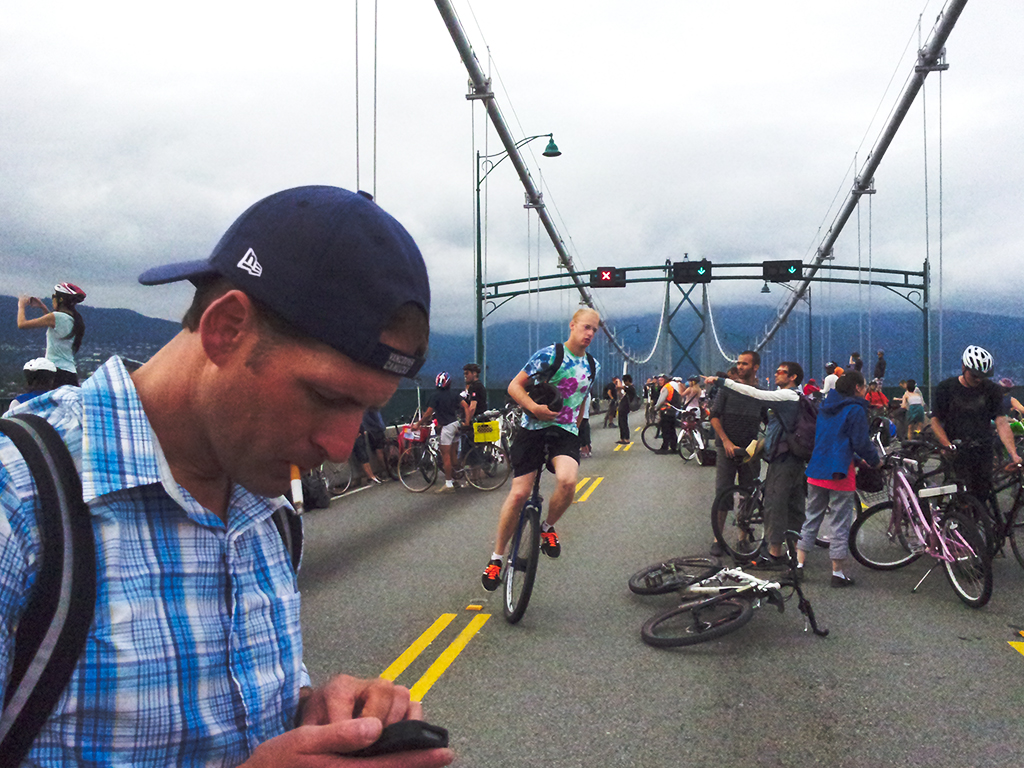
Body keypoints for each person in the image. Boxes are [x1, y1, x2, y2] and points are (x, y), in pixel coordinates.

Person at [0, 186, 453, 767]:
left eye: (365, 411)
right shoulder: (21, 501)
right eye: (324, 395)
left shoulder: (267, 512)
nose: (341, 445)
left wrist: (312, 716)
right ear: (227, 329)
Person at [481, 308, 600, 591]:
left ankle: (547, 527)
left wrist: (582, 429)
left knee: (568, 481)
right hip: (532, 428)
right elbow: (514, 386)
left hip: (566, 432)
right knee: (520, 493)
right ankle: (496, 559)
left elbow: (582, 400)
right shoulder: (550, 355)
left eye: (594, 330)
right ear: (572, 326)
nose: (590, 334)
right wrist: (533, 407)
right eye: (585, 327)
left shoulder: (592, 365)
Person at [704, 361, 807, 565]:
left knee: (774, 505)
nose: (776, 373)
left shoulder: (787, 395)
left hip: (783, 460)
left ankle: (774, 555)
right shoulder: (797, 396)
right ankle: (795, 554)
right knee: (794, 505)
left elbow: (756, 395)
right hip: (793, 459)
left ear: (793, 377)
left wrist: (722, 381)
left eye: (781, 372)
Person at [797, 370, 882, 587]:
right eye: (864, 386)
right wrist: (874, 461)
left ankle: (798, 564)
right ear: (857, 388)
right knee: (839, 523)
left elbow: (831, 440)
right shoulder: (855, 410)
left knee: (812, 517)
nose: (865, 390)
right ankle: (837, 573)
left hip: (816, 470)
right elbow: (861, 442)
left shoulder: (825, 408)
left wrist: (854, 457)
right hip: (840, 473)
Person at [930, 345, 1021, 508]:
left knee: (981, 497)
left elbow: (1001, 422)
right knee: (961, 498)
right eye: (975, 375)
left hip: (983, 449)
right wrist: (947, 445)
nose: (979, 379)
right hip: (956, 451)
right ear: (963, 367)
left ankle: (979, 524)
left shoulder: (992, 390)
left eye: (983, 376)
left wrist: (1013, 454)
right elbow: (935, 421)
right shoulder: (946, 388)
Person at [708, 351, 763, 555]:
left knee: (749, 495)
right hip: (726, 448)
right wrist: (725, 440)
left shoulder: (761, 392)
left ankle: (743, 538)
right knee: (722, 493)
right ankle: (718, 538)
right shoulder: (728, 390)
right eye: (738, 363)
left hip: (750, 451)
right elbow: (714, 416)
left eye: (745, 364)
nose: (740, 367)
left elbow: (770, 420)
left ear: (755, 367)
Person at [16, 283, 87, 386]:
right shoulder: (73, 319)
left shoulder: (56, 317)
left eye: (54, 296)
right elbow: (55, 325)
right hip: (70, 373)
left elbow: (22, 324)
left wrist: (21, 305)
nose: (52, 299)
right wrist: (42, 307)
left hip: (55, 372)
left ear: (60, 299)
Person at [415, 372, 467, 493]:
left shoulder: (435, 396)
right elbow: (466, 406)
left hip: (446, 427)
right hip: (455, 424)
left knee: (446, 455)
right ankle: (456, 480)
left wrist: (418, 424)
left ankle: (448, 484)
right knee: (453, 454)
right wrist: (467, 421)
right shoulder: (454, 395)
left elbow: (428, 413)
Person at [352, 407, 387, 485]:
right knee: (365, 455)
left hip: (365, 431)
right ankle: (377, 473)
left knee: (365, 455)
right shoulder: (370, 407)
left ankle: (372, 475)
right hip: (372, 431)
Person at [653, 374, 682, 453]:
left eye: (661, 380)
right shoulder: (670, 387)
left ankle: (664, 448)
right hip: (672, 411)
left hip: (666, 411)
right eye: (659, 381)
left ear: (665, 380)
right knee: (672, 430)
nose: (659, 382)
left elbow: (661, 400)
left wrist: (655, 408)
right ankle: (673, 447)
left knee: (665, 430)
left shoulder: (666, 388)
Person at [616, 374, 636, 445]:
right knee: (621, 423)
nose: (624, 382)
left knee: (623, 423)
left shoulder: (630, 388)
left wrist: (618, 381)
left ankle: (626, 438)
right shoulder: (630, 388)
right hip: (624, 407)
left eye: (624, 381)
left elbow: (619, 387)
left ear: (627, 381)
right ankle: (622, 438)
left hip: (625, 407)